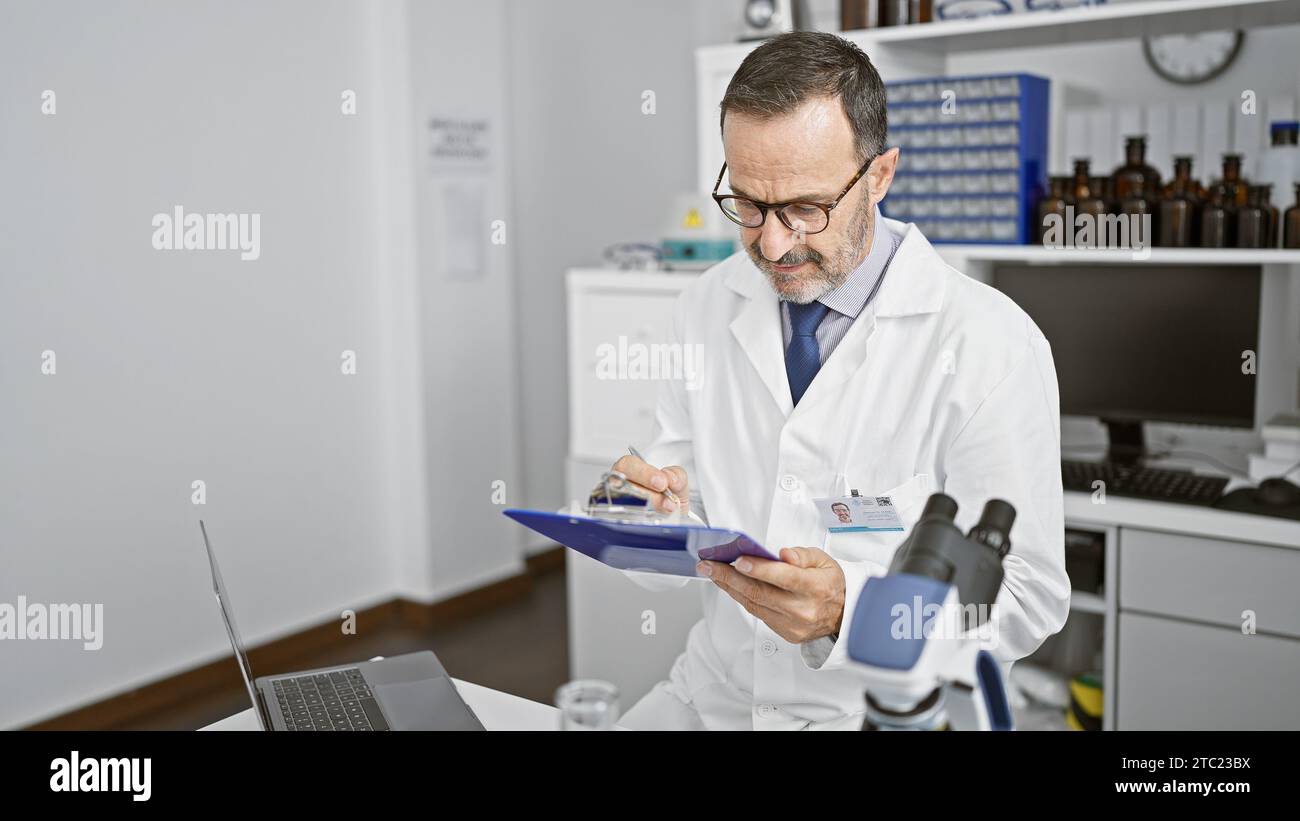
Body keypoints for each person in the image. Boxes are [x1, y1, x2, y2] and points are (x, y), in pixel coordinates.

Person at [614, 32, 1070, 730]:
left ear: (880, 174)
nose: (772, 244)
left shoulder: (991, 345)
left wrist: (849, 610)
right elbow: (682, 519)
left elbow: (1029, 599)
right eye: (748, 204)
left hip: (870, 716)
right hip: (712, 699)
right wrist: (645, 514)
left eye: (804, 208)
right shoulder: (703, 305)